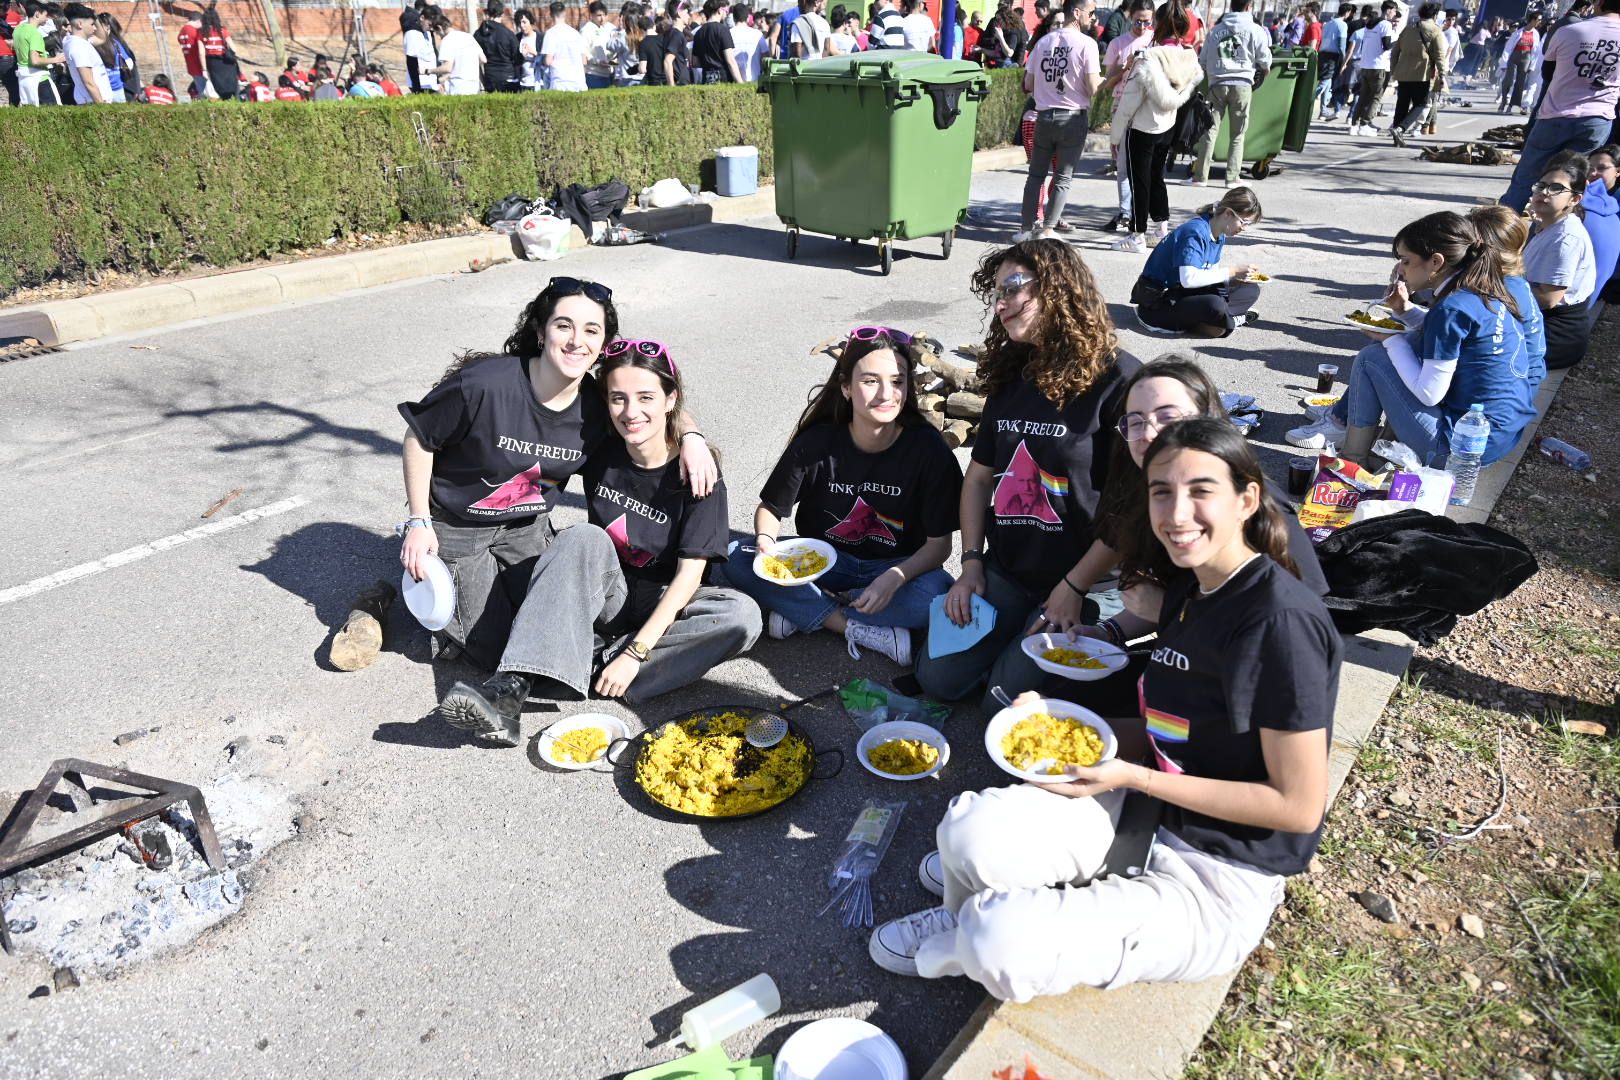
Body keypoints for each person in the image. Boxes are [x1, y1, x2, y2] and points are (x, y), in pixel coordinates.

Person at [869, 417, 1341, 1001]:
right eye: (1162, 492)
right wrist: (1058, 723)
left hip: (1221, 874)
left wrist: (1130, 775)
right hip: (1146, 811)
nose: (1177, 513)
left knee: (999, 939)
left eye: (1201, 491)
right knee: (967, 831)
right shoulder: (1194, 592)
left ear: (1247, 499)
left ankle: (980, 931)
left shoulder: (1282, 623)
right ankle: (979, 908)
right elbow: (1178, 731)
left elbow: (1296, 808)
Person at [397, 279, 720, 738]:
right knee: (490, 648)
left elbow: (652, 396)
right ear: (541, 328)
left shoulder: (596, 406)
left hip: (525, 526)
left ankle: (504, 696)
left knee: (551, 618)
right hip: (455, 526)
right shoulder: (486, 383)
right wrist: (418, 521)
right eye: (564, 325)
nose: (576, 340)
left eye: (591, 331)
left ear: (603, 343)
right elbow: (419, 437)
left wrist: (691, 435)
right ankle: (420, 587)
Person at [437, 341, 758, 739]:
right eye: (618, 399)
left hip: (665, 599)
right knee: (583, 537)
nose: (631, 412)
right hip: (604, 590)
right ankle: (510, 691)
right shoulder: (600, 445)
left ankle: (592, 665)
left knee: (741, 615)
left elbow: (689, 578)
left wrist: (633, 653)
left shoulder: (698, 473)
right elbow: (538, 401)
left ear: (670, 398)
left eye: (646, 398)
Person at [999, 356, 1330, 719]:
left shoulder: (1254, 505)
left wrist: (1171, 612)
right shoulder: (1145, 496)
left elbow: (1298, 630)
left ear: (1207, 418)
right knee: (1056, 699)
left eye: (1168, 416)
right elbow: (1172, 595)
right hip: (1185, 652)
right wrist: (1108, 632)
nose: (1150, 432)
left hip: (1249, 689)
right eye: (1136, 421)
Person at [916, 240, 1142, 709]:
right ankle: (1019, 643)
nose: (1001, 304)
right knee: (936, 679)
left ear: (1059, 288)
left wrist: (1075, 587)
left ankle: (1070, 644)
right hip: (1009, 570)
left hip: (1088, 580)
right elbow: (978, 479)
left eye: (1013, 287)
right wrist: (972, 562)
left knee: (1001, 702)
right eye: (996, 292)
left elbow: (1131, 509)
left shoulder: (1119, 381)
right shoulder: (1013, 374)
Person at [722, 329, 961, 665]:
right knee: (737, 556)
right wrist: (765, 541)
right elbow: (771, 509)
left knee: (938, 594)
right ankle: (852, 625)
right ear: (846, 387)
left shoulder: (929, 450)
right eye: (870, 381)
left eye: (897, 381)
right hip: (822, 562)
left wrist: (894, 579)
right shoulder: (818, 441)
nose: (886, 394)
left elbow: (939, 546)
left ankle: (806, 611)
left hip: (895, 567)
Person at [1334, 211, 1534, 468]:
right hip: (1497, 438)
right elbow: (1443, 333)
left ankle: (1352, 464)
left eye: (1406, 261)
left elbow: (1429, 394)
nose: (1400, 269)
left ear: (1436, 262)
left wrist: (1390, 339)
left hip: (1456, 451)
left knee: (1371, 358)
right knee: (1411, 345)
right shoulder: (1485, 290)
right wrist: (1404, 311)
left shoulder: (1451, 308)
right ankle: (1380, 455)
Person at [1500, 0, 1620, 213]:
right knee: (1570, 184)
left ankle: (1500, 231)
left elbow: (1547, 73)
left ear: (1599, 3)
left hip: (1554, 114)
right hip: (1597, 120)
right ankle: (1547, 234)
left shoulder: (1570, 30)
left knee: (1525, 178)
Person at [1109, 0, 1202, 253]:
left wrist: (1115, 136)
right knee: (1156, 177)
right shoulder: (1188, 58)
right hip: (1168, 125)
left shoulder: (1149, 58)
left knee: (1139, 181)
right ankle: (1161, 228)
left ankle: (1137, 235)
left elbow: (1128, 102)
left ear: (1158, 25)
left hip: (1142, 127)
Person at [1132, 188, 1264, 337]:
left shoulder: (1219, 233)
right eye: (1244, 222)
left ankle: (1223, 321)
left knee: (1250, 289)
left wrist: (1235, 279)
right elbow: (1188, 280)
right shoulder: (1194, 233)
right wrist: (1231, 272)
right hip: (1158, 303)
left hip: (1183, 294)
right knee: (1215, 305)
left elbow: (1209, 276)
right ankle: (1230, 320)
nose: (1244, 229)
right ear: (1228, 213)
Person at [1018, 0, 1100, 240]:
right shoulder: (1087, 44)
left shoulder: (1043, 42)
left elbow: (1028, 83)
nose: (1093, 18)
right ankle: (1048, 229)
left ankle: (1025, 229)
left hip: (1043, 116)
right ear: (1077, 12)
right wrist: (1114, 77)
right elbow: (1094, 87)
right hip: (1072, 117)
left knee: (1036, 175)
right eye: (1091, 13)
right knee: (1062, 177)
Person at [1524, 153, 1598, 368]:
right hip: (1541, 323)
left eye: (1556, 188)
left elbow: (1548, 300)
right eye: (1542, 185)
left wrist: (1500, 286)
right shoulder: (1548, 225)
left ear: (1575, 199)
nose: (1544, 192)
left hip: (1554, 337)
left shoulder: (1566, 238)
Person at [1190, 0, 1272, 188]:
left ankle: (1200, 177)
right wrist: (1261, 75)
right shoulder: (1255, 30)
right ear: (1249, 6)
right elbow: (1265, 61)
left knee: (1209, 131)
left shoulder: (1215, 30)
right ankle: (1232, 177)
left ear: (1231, 6)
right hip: (1242, 85)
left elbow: (1202, 61)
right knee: (1237, 134)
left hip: (1217, 84)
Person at [1100, 0, 1155, 232]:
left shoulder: (1156, 41)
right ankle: (1126, 212)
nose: (1142, 26)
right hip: (1122, 105)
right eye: (1137, 21)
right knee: (1122, 163)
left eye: (1147, 21)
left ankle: (1143, 212)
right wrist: (1125, 66)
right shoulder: (1118, 43)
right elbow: (1106, 82)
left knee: (1145, 164)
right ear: (1130, 17)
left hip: (1148, 106)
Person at [1387, 2, 1446, 143]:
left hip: (1403, 72)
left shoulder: (1408, 28)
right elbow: (1439, 55)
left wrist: (1394, 70)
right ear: (1435, 15)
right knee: (1421, 103)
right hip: (1421, 73)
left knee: (1402, 103)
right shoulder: (1435, 30)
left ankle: (1397, 134)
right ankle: (1401, 129)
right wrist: (1443, 74)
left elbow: (1395, 51)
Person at [1348, 0, 1398, 135]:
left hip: (1365, 65)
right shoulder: (1386, 24)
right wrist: (1398, 42)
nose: (1394, 14)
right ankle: (1364, 124)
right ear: (1389, 10)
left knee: (1363, 96)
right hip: (1378, 65)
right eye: (1394, 11)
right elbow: (1387, 45)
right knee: (1376, 97)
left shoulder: (1370, 24)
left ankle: (1354, 124)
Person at [12, 1, 64, 105]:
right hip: (39, 79)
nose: (47, 19)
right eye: (45, 15)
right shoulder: (34, 33)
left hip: (24, 79)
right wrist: (56, 59)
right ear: (37, 14)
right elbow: (35, 60)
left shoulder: (18, 29)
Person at [430, 8, 486, 94]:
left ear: (439, 28)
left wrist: (428, 71)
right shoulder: (468, 36)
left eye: (436, 33)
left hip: (458, 86)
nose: (438, 36)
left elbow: (447, 68)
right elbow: (483, 59)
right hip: (474, 85)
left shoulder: (447, 40)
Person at [61, 3, 107, 104]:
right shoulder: (78, 47)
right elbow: (88, 82)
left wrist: (94, 16)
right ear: (80, 24)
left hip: (94, 101)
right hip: (94, 102)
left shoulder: (76, 41)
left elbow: (101, 38)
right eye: (92, 24)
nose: (95, 28)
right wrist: (103, 108)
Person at [1497, 12, 1539, 114]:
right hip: (1514, 56)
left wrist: (1532, 65)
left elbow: (1535, 51)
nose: (1539, 22)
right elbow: (1508, 48)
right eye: (1538, 20)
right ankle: (1503, 102)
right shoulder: (1519, 32)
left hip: (1526, 58)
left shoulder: (1536, 34)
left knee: (1520, 83)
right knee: (1508, 80)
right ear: (1532, 20)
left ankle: (1512, 105)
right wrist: (1504, 63)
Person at [476, 2, 524, 91]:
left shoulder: (478, 34)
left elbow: (476, 59)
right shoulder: (508, 34)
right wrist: (523, 55)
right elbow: (517, 59)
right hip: (508, 78)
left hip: (489, 77)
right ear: (502, 14)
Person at [540, 0, 587, 88]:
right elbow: (584, 60)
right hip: (578, 81)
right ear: (565, 13)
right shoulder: (575, 33)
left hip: (560, 81)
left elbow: (548, 61)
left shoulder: (551, 33)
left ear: (550, 15)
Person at [1316, 2, 1351, 118]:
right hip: (1332, 55)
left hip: (1322, 53)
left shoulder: (1329, 23)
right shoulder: (1342, 25)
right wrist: (1344, 59)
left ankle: (1323, 109)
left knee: (1328, 82)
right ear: (1347, 13)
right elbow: (1342, 44)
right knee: (1324, 82)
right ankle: (1309, 98)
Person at [692, 0, 742, 78]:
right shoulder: (723, 30)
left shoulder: (698, 32)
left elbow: (695, 62)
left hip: (706, 78)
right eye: (726, 11)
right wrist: (740, 83)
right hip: (722, 78)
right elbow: (730, 61)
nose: (726, 14)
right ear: (719, 10)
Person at [93, 12, 135, 103]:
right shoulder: (93, 44)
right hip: (105, 89)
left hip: (118, 87)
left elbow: (129, 62)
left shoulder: (116, 43)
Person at [198, 8, 238, 101]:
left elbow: (201, 53)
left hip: (212, 62)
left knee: (217, 84)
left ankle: (220, 101)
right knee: (229, 83)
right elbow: (233, 48)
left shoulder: (202, 32)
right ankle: (231, 100)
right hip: (225, 60)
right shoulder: (222, 30)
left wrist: (204, 69)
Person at [404, 6, 440, 92]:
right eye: (430, 25)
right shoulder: (412, 34)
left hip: (431, 83)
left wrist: (437, 81)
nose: (431, 28)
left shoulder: (427, 33)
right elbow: (411, 61)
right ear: (422, 18)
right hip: (420, 84)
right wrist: (416, 88)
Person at [579, 0, 614, 86]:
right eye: (599, 15)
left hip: (609, 73)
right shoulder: (586, 30)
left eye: (604, 15)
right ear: (591, 15)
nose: (602, 19)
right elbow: (583, 52)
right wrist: (597, 61)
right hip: (594, 74)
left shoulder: (608, 28)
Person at [176, 9, 208, 99]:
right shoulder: (195, 32)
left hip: (191, 66)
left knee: (201, 91)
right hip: (200, 65)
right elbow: (201, 49)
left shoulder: (182, 32)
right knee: (208, 94)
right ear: (198, 21)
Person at [729, 2, 764, 77]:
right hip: (756, 79)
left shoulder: (727, 34)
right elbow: (765, 56)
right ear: (748, 17)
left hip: (734, 81)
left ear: (733, 18)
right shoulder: (758, 34)